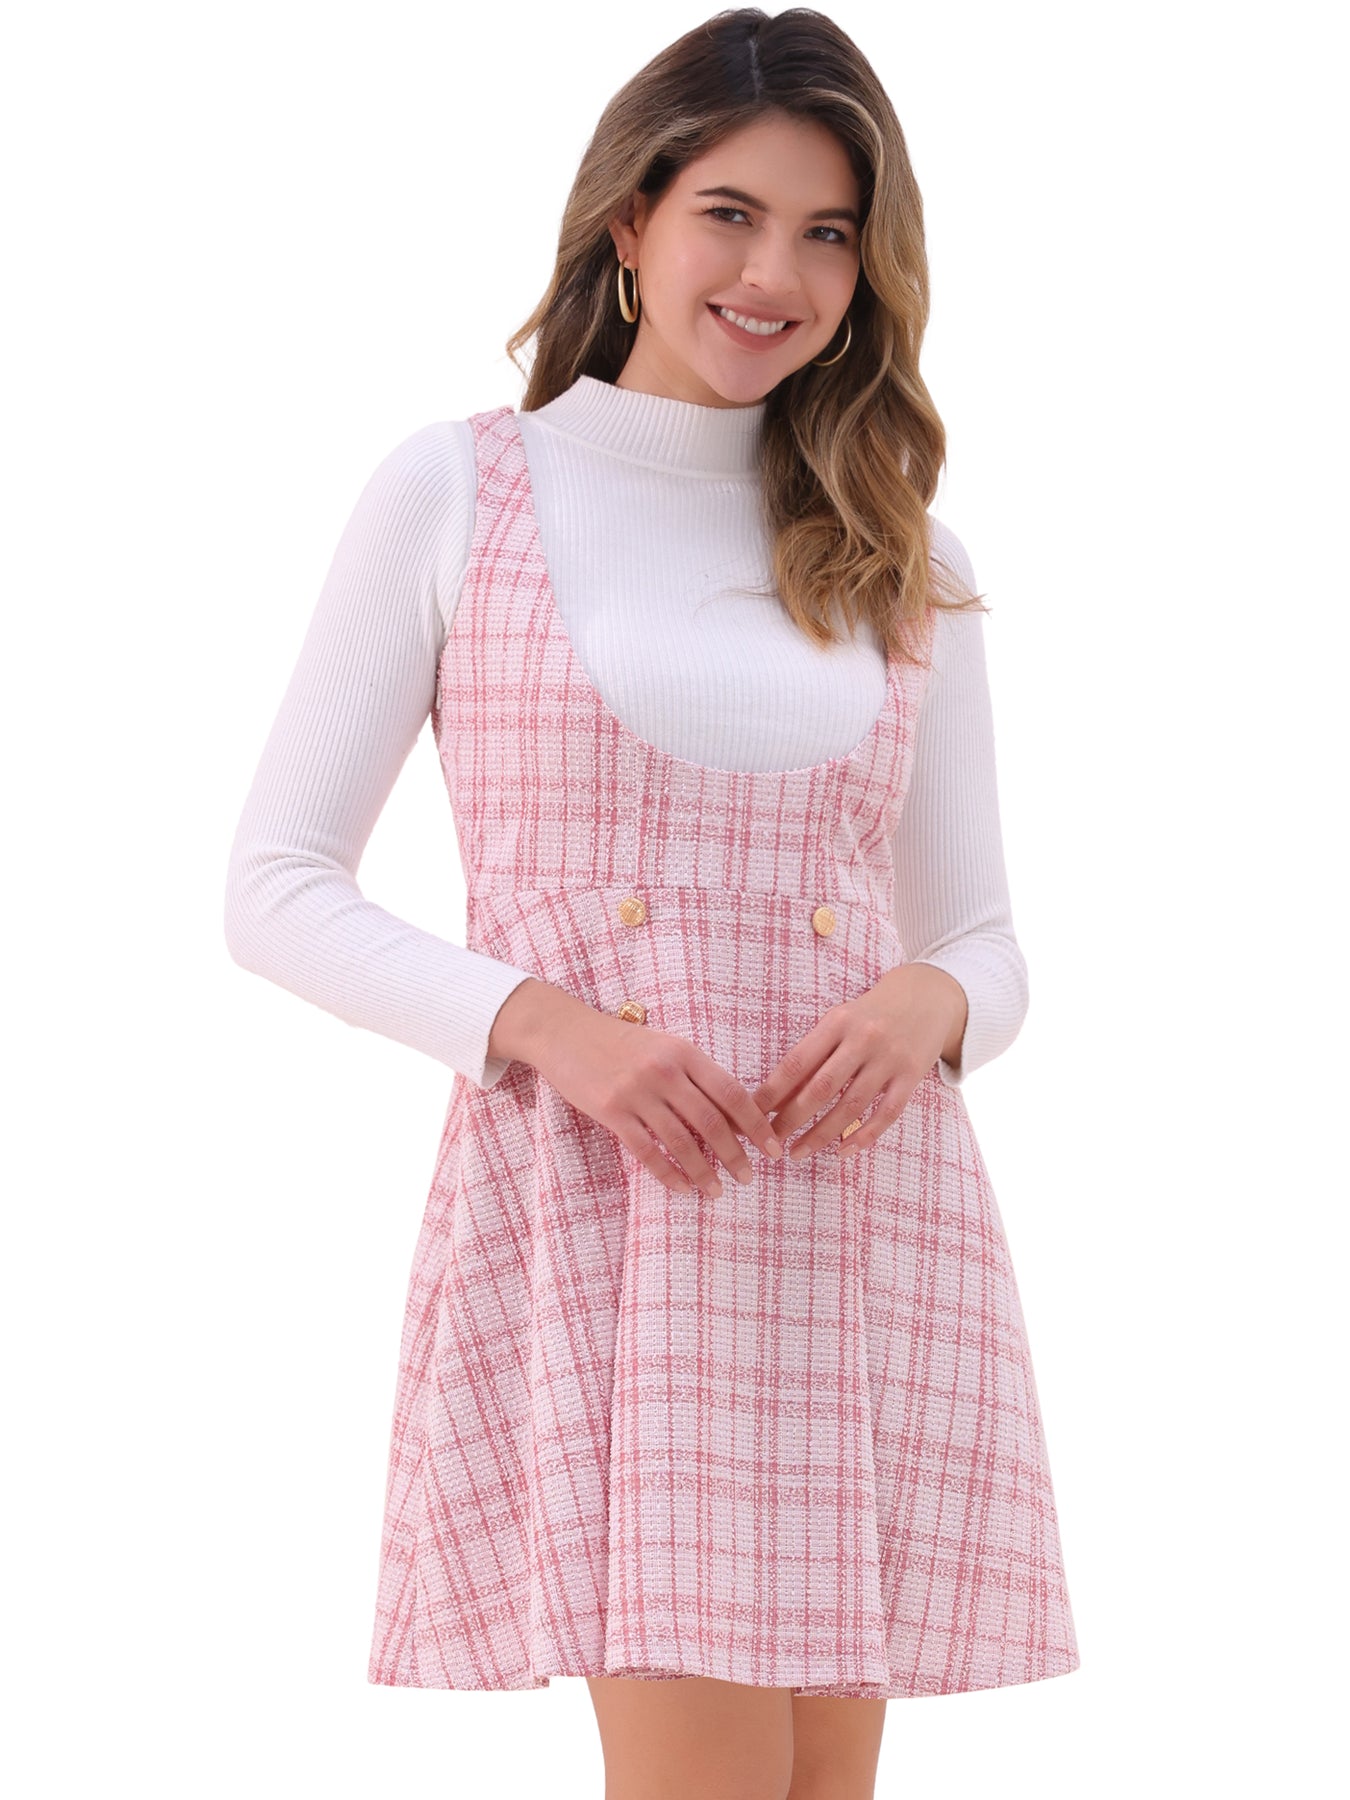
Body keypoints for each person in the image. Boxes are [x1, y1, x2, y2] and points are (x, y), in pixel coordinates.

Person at [224, 8, 1080, 1795]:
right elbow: (275, 886)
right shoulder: (464, 487)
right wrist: (548, 1029)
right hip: (612, 1213)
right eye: (728, 215)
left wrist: (931, 1006)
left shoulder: (901, 552)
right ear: (629, 220)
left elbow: (982, 943)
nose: (776, 275)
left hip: (858, 1221)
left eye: (828, 233)